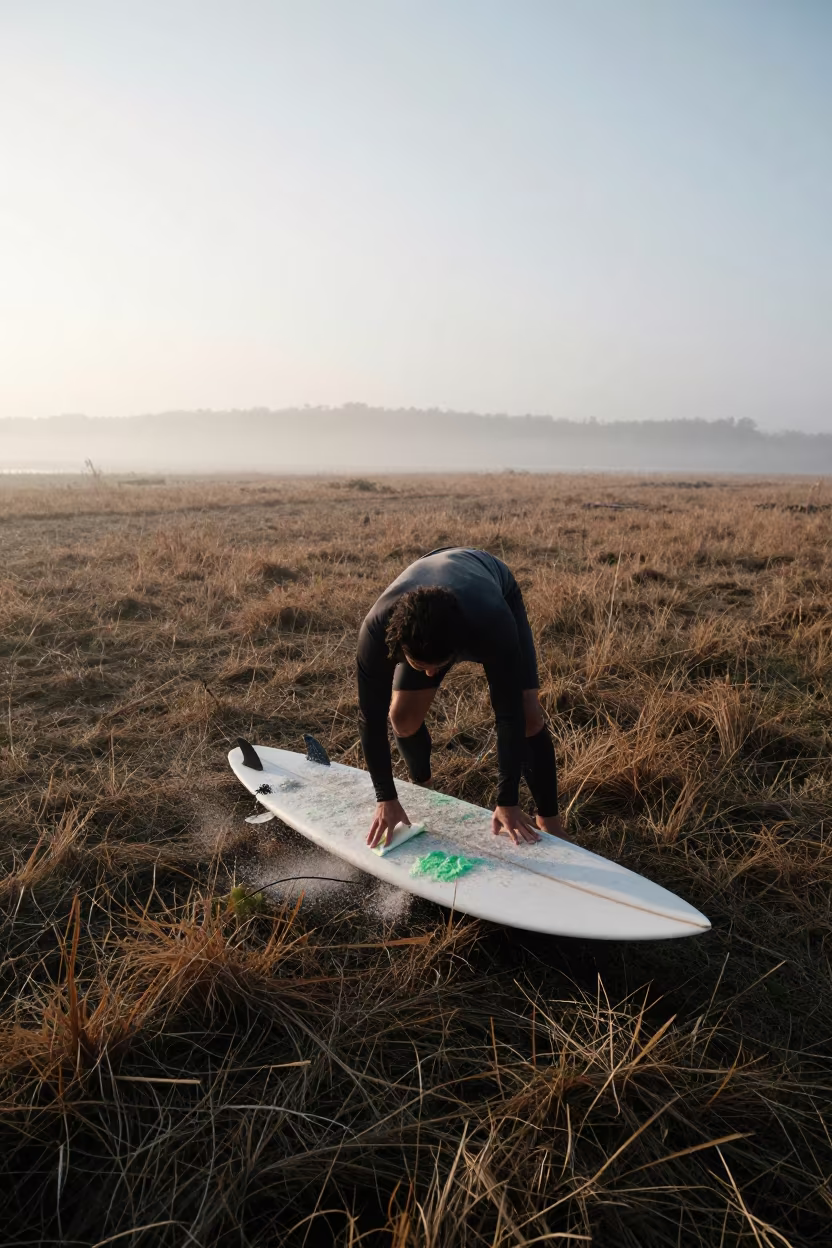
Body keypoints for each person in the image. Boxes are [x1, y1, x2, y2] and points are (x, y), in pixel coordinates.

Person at [356, 547, 565, 849]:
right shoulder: (377, 632)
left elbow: (508, 715)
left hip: (490, 585)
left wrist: (508, 800)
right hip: (431, 586)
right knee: (402, 719)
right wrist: (385, 797)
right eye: (420, 666)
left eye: (438, 667)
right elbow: (370, 719)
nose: (430, 676)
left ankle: (550, 821)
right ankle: (428, 794)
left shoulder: (491, 622)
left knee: (527, 713)